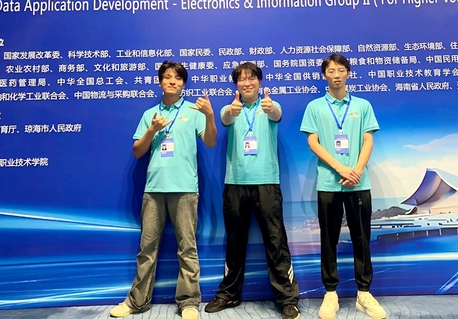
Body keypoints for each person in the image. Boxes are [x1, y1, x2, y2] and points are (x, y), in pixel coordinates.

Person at [110, 61, 217, 319]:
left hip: (185, 188)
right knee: (146, 248)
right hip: (155, 189)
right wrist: (152, 130)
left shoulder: (194, 111)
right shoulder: (150, 114)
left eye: (178, 78)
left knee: (187, 248)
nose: (172, 81)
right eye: (167, 77)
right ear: (160, 82)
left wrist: (209, 116)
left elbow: (211, 142)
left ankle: (189, 302)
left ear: (183, 83)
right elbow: (137, 151)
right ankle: (137, 302)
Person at [205, 62, 300, 319]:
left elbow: (277, 114)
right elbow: (225, 118)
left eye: (251, 78)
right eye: (242, 79)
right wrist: (231, 112)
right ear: (236, 84)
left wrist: (271, 108)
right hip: (235, 184)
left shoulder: (269, 106)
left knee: (276, 242)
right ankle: (229, 294)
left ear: (259, 81)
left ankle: (287, 299)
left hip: (267, 183)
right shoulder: (230, 109)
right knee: (235, 242)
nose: (247, 83)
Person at [300, 54, 385, 319]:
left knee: (362, 238)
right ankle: (330, 293)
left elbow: (368, 141)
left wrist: (355, 171)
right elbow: (313, 143)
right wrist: (341, 169)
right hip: (329, 183)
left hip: (358, 183)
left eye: (341, 70)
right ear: (324, 75)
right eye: (331, 71)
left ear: (348, 73)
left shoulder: (362, 105)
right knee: (329, 239)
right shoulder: (315, 107)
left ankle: (364, 293)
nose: (336, 75)